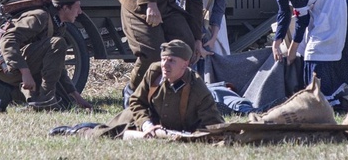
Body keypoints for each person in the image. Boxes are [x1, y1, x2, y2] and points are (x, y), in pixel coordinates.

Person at [50, 40, 224, 138]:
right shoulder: (155, 72)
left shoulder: (196, 86)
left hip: (172, 131)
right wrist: (147, 124)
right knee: (103, 134)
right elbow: (136, 100)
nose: (165, 64)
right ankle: (76, 131)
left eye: (172, 61)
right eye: (164, 59)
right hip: (141, 119)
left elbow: (214, 122)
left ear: (185, 64)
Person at [0, 0, 92, 112]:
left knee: (66, 104)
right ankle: (44, 101)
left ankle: (10, 92)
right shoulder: (40, 17)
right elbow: (8, 40)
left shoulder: (58, 25)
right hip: (3, 66)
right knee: (57, 43)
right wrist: (25, 72)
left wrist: (76, 96)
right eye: (77, 7)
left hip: (17, 67)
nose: (80, 12)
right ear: (65, 7)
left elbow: (57, 68)